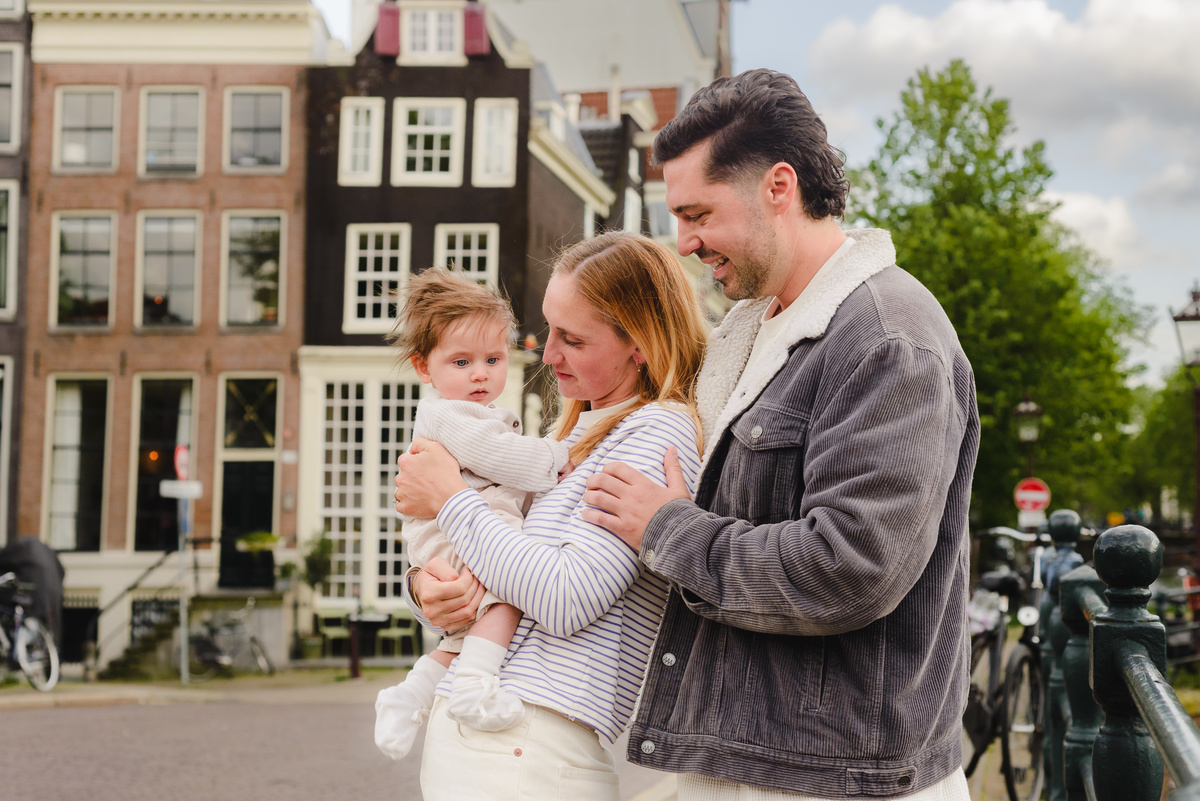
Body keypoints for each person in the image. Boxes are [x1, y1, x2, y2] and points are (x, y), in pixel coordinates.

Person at [580, 69, 980, 800]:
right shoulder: (748, 333)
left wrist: (670, 530)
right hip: (754, 759)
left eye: (697, 213)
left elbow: (850, 564)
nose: (685, 242)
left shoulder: (889, 340)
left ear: (778, 186)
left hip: (831, 778)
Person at [392, 231, 709, 801]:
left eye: (573, 338)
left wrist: (448, 498)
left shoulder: (656, 432)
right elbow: (500, 558)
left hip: (529, 736)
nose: (548, 353)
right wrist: (426, 589)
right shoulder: (575, 438)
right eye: (548, 328)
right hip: (497, 732)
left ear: (638, 344)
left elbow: (565, 598)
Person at [374, 267, 572, 760]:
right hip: (451, 536)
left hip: (450, 536)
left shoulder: (472, 413)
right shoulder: (450, 415)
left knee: (463, 632)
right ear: (425, 367)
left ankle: (411, 694)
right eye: (461, 361)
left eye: (493, 358)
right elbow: (510, 462)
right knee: (506, 597)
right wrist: (562, 456)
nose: (480, 373)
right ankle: (475, 688)